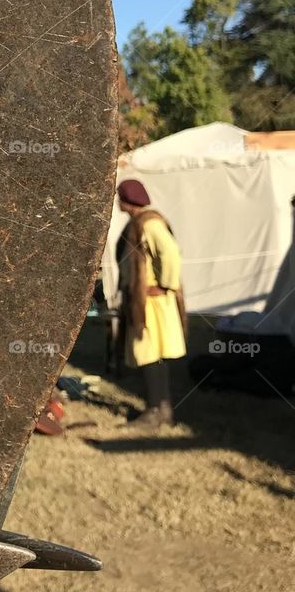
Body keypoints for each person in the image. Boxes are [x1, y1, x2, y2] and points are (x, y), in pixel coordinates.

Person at [116, 178, 187, 429]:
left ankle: (155, 411)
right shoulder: (139, 223)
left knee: (149, 354)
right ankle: (162, 408)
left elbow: (169, 252)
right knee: (152, 355)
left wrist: (165, 285)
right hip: (145, 300)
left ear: (128, 200)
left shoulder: (150, 223)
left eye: (119, 197)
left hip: (152, 303)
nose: (117, 202)